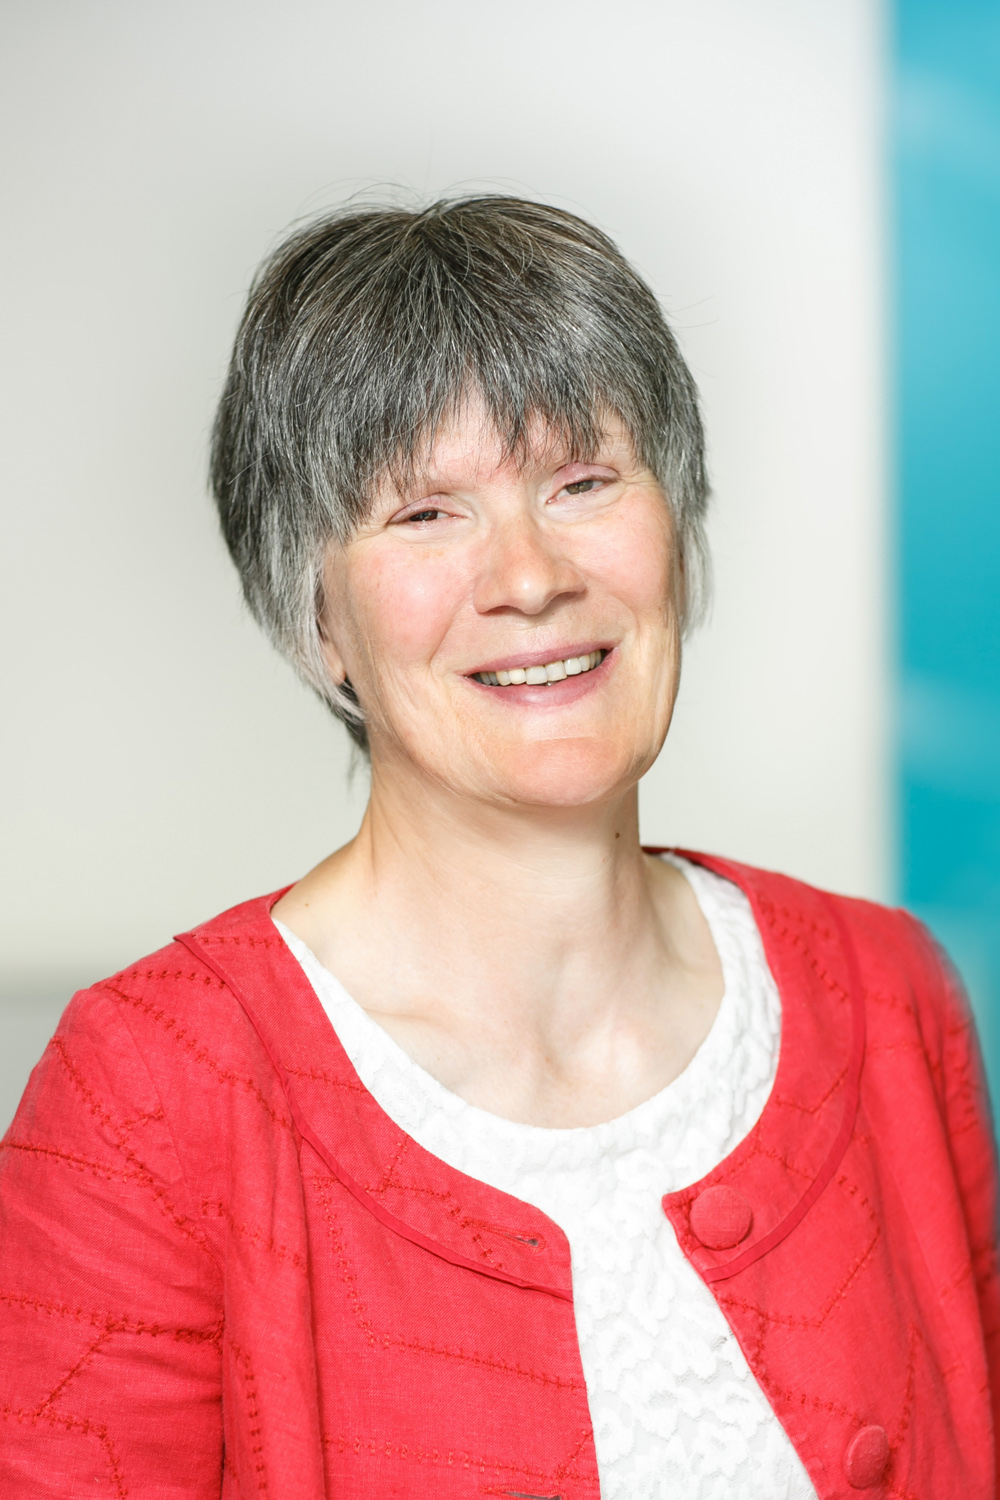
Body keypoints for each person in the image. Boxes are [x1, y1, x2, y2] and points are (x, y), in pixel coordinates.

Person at [0, 196, 997, 1500]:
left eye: (584, 484)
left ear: (676, 534)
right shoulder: (145, 1105)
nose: (529, 575)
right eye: (426, 514)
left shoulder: (883, 994)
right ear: (318, 622)